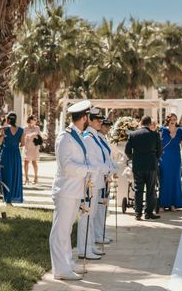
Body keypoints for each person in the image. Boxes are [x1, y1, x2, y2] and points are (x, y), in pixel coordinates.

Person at [50, 100, 93, 281]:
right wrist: (87, 169)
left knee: (66, 230)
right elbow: (66, 165)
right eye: (88, 116)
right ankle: (60, 269)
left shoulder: (75, 135)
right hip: (66, 189)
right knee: (60, 230)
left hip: (74, 189)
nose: (89, 119)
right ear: (83, 117)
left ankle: (67, 262)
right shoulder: (65, 137)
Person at [76, 108, 110, 259]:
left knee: (91, 215)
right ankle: (84, 249)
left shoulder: (94, 136)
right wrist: (108, 168)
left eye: (101, 120)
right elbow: (93, 162)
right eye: (97, 120)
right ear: (89, 120)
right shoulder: (88, 137)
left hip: (96, 181)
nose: (100, 123)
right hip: (90, 181)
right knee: (86, 216)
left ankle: (89, 246)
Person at [125, 115, 163, 220]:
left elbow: (127, 151)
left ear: (141, 123)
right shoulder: (155, 135)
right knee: (151, 190)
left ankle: (138, 213)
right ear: (150, 123)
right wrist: (154, 159)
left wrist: (134, 159)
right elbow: (160, 151)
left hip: (138, 166)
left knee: (138, 190)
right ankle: (148, 213)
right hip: (151, 165)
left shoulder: (133, 134)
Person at [93, 117, 118, 244]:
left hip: (105, 176)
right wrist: (110, 169)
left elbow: (107, 158)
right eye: (105, 126)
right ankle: (98, 234)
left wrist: (114, 167)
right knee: (100, 207)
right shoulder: (96, 138)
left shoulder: (103, 139)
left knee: (103, 207)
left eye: (109, 126)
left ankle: (101, 233)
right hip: (101, 176)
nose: (107, 129)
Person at [159, 113, 182, 211]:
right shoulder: (162, 130)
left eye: (175, 119)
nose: (173, 120)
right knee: (164, 179)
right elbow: (158, 144)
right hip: (164, 158)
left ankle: (173, 204)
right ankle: (162, 204)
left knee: (175, 180)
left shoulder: (181, 131)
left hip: (176, 158)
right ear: (168, 120)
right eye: (171, 118)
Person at [0, 111, 25, 204]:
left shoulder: (4, 129)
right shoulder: (21, 130)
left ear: (8, 119)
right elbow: (23, 144)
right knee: (14, 174)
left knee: (6, 175)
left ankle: (7, 198)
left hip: (6, 153)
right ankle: (11, 198)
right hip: (16, 154)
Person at [23, 115, 42, 185]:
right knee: (26, 163)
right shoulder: (25, 128)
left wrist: (33, 134)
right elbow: (23, 137)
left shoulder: (37, 128)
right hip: (27, 147)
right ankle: (26, 178)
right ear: (30, 120)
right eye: (33, 119)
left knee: (34, 162)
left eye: (35, 120)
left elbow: (39, 136)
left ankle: (36, 177)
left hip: (34, 147)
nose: (35, 121)